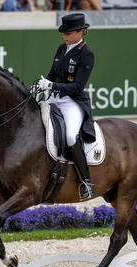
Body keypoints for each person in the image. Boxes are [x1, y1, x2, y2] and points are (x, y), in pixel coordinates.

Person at [38, 13, 96, 202]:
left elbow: (78, 87)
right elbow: (52, 74)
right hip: (54, 98)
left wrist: (53, 86)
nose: (64, 35)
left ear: (80, 32)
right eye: (63, 32)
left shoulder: (87, 54)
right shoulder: (61, 48)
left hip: (72, 102)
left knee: (71, 136)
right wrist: (43, 84)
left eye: (68, 32)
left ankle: (86, 181)